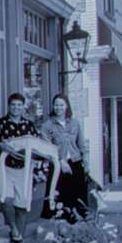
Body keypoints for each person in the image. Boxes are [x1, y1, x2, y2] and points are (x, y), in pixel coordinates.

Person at [0, 92, 57, 243]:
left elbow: (37, 144)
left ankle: (19, 239)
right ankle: (14, 230)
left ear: (23, 107)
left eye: (19, 105)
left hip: (22, 169)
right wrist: (1, 146)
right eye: (13, 105)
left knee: (22, 204)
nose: (16, 108)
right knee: (6, 200)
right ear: (9, 106)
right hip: (2, 167)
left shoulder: (29, 125)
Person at [42, 93, 96, 223]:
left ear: (66, 106)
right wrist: (61, 160)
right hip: (57, 165)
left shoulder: (75, 123)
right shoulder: (47, 125)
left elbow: (81, 145)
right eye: (56, 105)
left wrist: (86, 164)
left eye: (61, 105)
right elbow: (46, 148)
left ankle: (78, 225)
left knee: (78, 197)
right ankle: (61, 226)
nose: (58, 107)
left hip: (75, 163)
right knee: (59, 198)